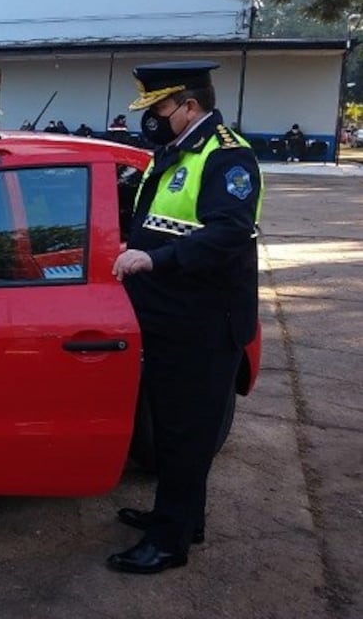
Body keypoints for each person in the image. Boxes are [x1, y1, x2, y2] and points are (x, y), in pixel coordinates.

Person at [110, 61, 262, 574]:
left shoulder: (227, 157)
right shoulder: (174, 152)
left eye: (158, 108)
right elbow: (152, 218)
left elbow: (228, 234)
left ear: (189, 106)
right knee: (175, 426)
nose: (152, 118)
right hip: (170, 313)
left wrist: (155, 259)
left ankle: (170, 542)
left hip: (204, 321)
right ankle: (181, 517)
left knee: (184, 432)